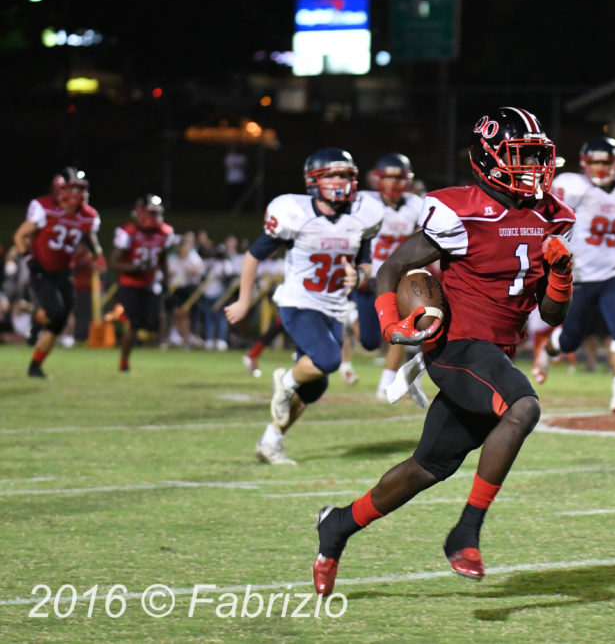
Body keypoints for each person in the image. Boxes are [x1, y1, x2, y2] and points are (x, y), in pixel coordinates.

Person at [311, 107, 575, 596]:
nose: (534, 169)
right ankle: (465, 532)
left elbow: (553, 316)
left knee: (429, 466)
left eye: (538, 157)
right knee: (522, 408)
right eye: (522, 157)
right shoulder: (461, 210)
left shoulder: (553, 215)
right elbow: (392, 269)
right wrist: (393, 325)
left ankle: (338, 526)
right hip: (454, 344)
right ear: (489, 159)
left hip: (495, 353)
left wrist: (560, 276)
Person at [224, 148, 382, 465]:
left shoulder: (363, 215)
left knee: (313, 388)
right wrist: (243, 300)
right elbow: (254, 255)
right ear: (314, 180)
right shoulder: (294, 213)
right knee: (327, 360)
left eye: (345, 175)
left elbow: (365, 261)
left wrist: (360, 274)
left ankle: (271, 441)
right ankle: (286, 381)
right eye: (332, 175)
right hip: (298, 303)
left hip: (334, 307)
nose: (339, 181)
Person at [534, 137, 615, 411]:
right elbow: (550, 224)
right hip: (579, 276)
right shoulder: (573, 187)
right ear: (585, 163)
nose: (599, 167)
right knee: (570, 339)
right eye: (594, 161)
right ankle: (547, 350)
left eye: (604, 162)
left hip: (612, 275)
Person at [347, 153, 426, 402]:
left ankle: (386, 384)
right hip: (368, 277)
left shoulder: (416, 203)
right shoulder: (363, 202)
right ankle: (351, 315)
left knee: (402, 328)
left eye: (399, 177)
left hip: (396, 277)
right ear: (378, 179)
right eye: (389, 177)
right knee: (369, 342)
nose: (393, 183)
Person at [12, 167, 101, 378]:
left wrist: (95, 251)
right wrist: (28, 259)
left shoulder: (88, 215)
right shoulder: (44, 208)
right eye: (72, 188)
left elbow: (91, 239)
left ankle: (35, 366)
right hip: (42, 270)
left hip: (64, 273)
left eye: (80, 189)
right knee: (56, 312)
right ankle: (36, 322)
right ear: (60, 189)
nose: (77, 194)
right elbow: (20, 236)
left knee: (59, 322)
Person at [109, 195, 176, 372]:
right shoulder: (128, 232)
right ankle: (124, 361)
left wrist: (167, 282)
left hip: (149, 284)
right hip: (130, 283)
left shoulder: (165, 232)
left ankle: (151, 347)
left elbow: (162, 258)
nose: (155, 217)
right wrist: (135, 267)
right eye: (151, 212)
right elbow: (113, 263)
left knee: (153, 323)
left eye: (157, 213)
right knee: (135, 323)